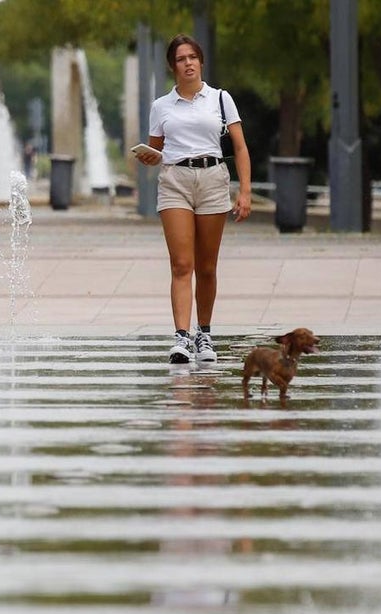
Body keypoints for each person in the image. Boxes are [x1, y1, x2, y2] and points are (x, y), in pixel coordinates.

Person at [136, 33, 252, 365]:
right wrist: (148, 156)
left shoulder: (220, 99)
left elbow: (240, 147)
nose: (188, 63)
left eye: (193, 57)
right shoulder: (161, 106)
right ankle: (181, 338)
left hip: (213, 178)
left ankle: (204, 333)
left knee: (207, 265)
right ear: (173, 67)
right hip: (175, 180)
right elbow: (155, 149)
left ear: (200, 62)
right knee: (181, 264)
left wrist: (244, 191)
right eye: (181, 59)